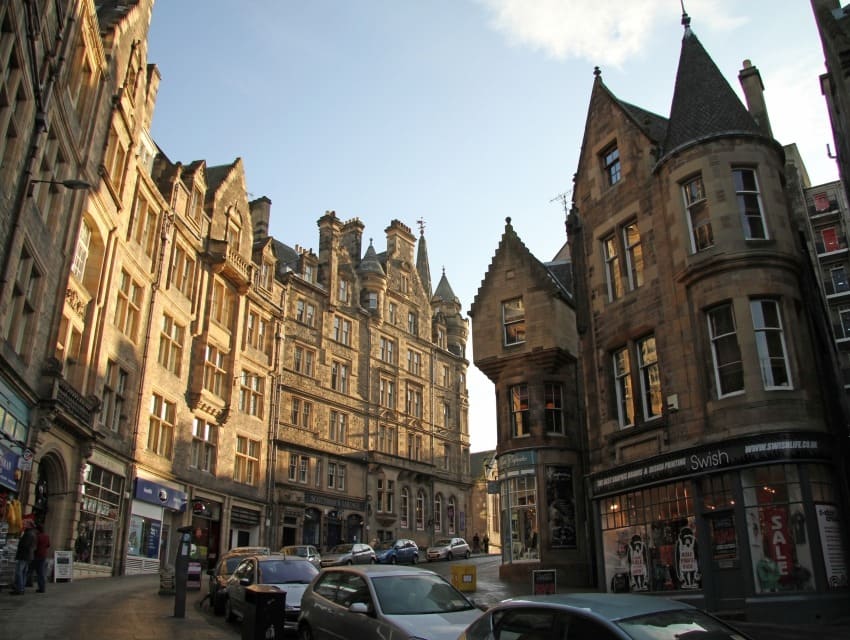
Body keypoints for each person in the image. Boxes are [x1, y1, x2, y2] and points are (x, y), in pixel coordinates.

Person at [12, 519, 37, 595]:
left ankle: (19, 589)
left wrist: (20, 540)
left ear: (29, 525)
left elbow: (25, 545)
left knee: (19, 572)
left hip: (24, 555)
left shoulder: (28, 534)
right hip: (28, 556)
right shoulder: (32, 533)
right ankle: (21, 588)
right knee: (23, 572)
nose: (23, 525)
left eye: (24, 524)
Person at [33, 524, 51, 593]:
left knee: (37, 571)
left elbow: (34, 545)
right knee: (41, 572)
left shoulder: (37, 536)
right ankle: (41, 587)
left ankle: (41, 588)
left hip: (37, 555)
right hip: (44, 555)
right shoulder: (46, 536)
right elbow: (48, 545)